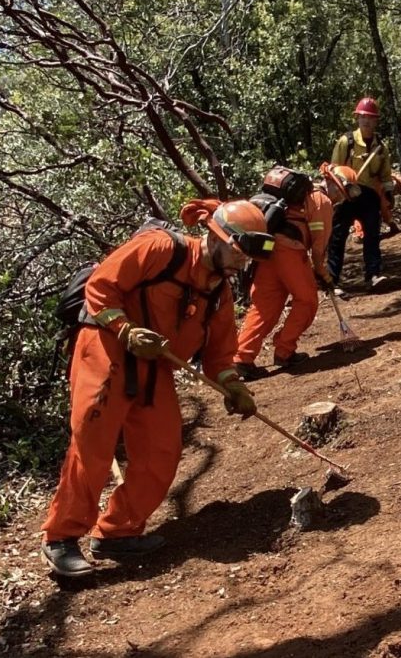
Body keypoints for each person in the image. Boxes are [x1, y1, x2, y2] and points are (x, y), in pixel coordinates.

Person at [40, 200, 273, 578]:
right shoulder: (161, 249)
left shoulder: (220, 293)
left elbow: (218, 355)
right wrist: (126, 330)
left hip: (155, 363)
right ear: (215, 237)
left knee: (162, 449)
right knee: (93, 444)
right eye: (238, 252)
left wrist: (233, 386)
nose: (242, 263)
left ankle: (118, 531)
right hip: (105, 345)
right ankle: (60, 538)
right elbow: (101, 287)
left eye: (248, 257)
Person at [235, 164, 357, 373]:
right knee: (308, 301)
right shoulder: (322, 201)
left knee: (265, 306)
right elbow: (318, 250)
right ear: (336, 188)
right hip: (288, 251)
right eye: (342, 194)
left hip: (267, 249)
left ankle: (242, 358)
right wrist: (324, 274)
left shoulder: (301, 199)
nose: (340, 199)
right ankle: (284, 350)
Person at [328, 96, 393, 291]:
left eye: (370, 117)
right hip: (346, 196)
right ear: (357, 118)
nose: (365, 120)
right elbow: (333, 169)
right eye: (362, 116)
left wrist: (389, 193)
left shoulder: (381, 147)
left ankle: (373, 276)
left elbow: (385, 174)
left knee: (372, 235)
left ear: (375, 120)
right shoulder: (345, 142)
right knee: (337, 237)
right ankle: (332, 281)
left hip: (369, 196)